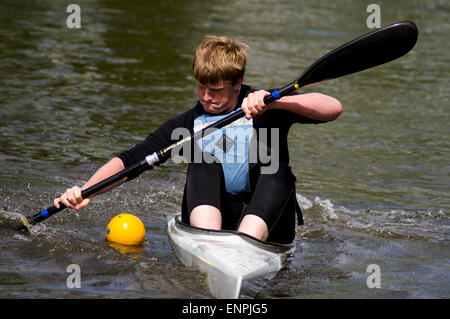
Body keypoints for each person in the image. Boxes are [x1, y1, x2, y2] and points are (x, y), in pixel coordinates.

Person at [54, 36, 342, 244]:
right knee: (202, 162)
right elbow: (131, 160)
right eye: (201, 87)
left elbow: (332, 109)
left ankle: (245, 244)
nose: (206, 97)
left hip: (268, 223)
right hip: (212, 222)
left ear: (237, 83)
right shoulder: (188, 124)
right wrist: (86, 190)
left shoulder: (266, 107)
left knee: (275, 169)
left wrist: (278, 104)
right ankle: (209, 244)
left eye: (215, 90)